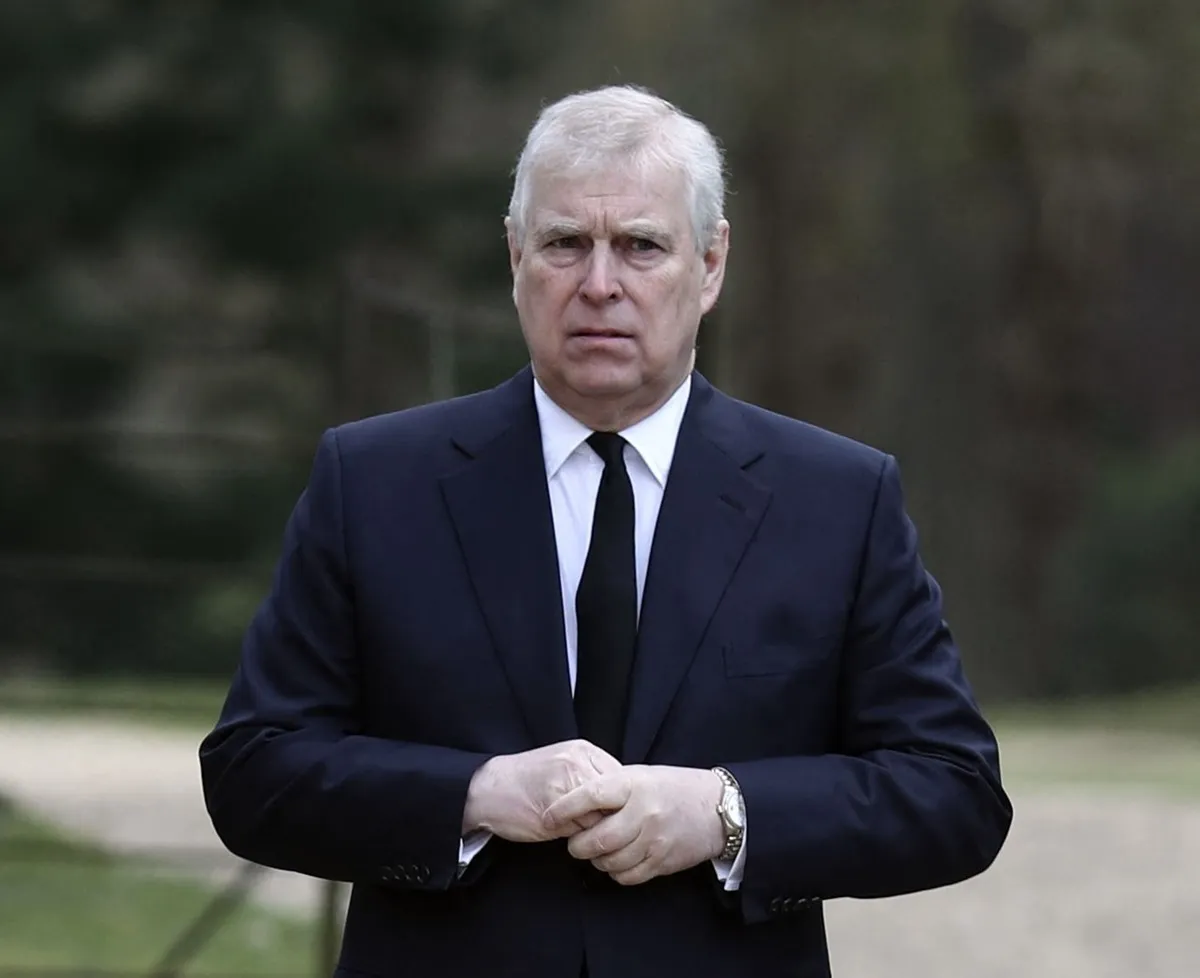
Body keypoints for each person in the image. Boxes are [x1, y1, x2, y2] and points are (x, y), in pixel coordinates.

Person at [199, 84, 1012, 978]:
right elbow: (254, 772)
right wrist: (474, 794)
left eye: (640, 245)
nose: (598, 284)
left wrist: (726, 812)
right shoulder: (375, 482)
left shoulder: (838, 498)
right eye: (563, 245)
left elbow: (955, 792)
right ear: (515, 258)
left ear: (710, 264)